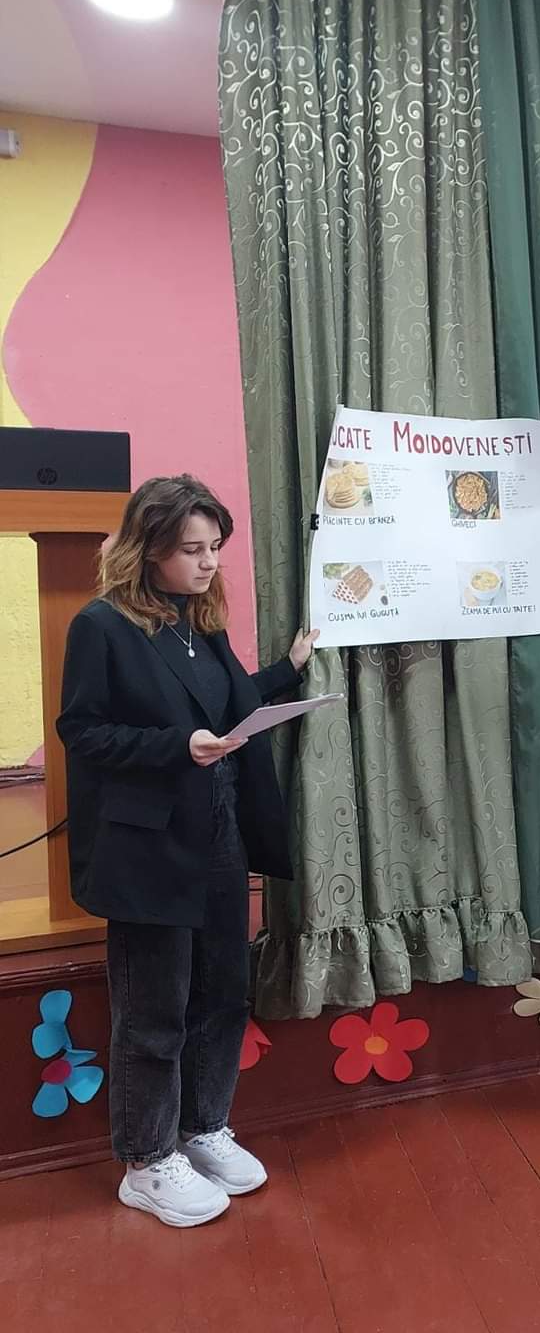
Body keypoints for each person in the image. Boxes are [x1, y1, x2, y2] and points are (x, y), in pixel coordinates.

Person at [57, 474, 319, 1226]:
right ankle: (145, 1160)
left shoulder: (199, 623)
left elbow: (226, 703)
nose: (208, 564)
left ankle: (203, 1127)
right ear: (149, 550)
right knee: (155, 1006)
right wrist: (178, 747)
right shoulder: (101, 626)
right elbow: (81, 731)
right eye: (192, 550)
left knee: (223, 991)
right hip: (149, 844)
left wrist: (289, 670)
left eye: (214, 548)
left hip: (219, 831)